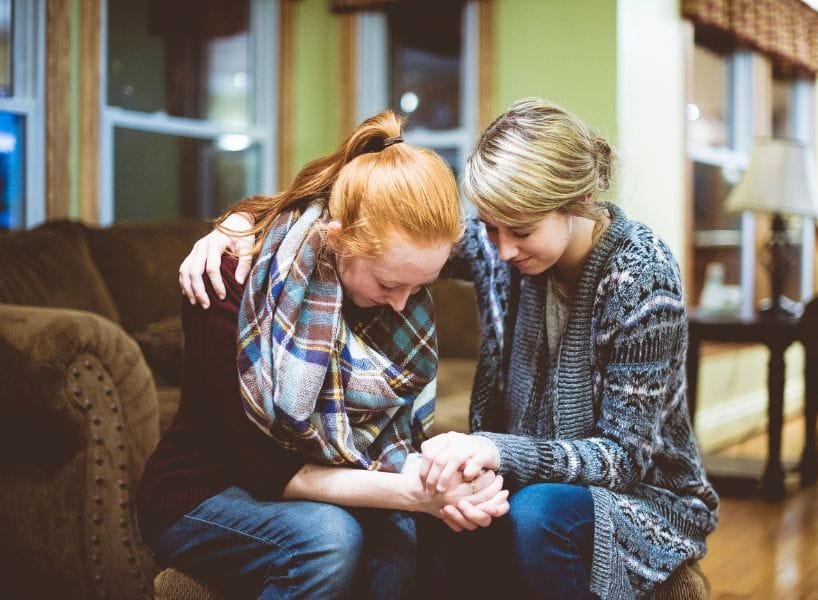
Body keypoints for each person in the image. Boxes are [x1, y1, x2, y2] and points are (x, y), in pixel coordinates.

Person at [181, 99, 719, 599]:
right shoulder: (499, 245)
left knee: (536, 513)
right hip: (519, 471)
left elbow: (627, 457)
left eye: (522, 231)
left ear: (577, 202)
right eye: (488, 227)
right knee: (435, 526)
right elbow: (381, 224)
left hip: (637, 494)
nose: (501, 249)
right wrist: (246, 224)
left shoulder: (641, 274)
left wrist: (495, 450)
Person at [137, 110, 509, 600]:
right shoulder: (231, 279)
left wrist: (449, 487)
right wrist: (418, 494)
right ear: (337, 240)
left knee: (401, 539)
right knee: (328, 538)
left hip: (307, 482)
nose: (403, 305)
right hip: (203, 493)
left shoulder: (394, 293)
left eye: (420, 288)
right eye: (390, 284)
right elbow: (260, 467)